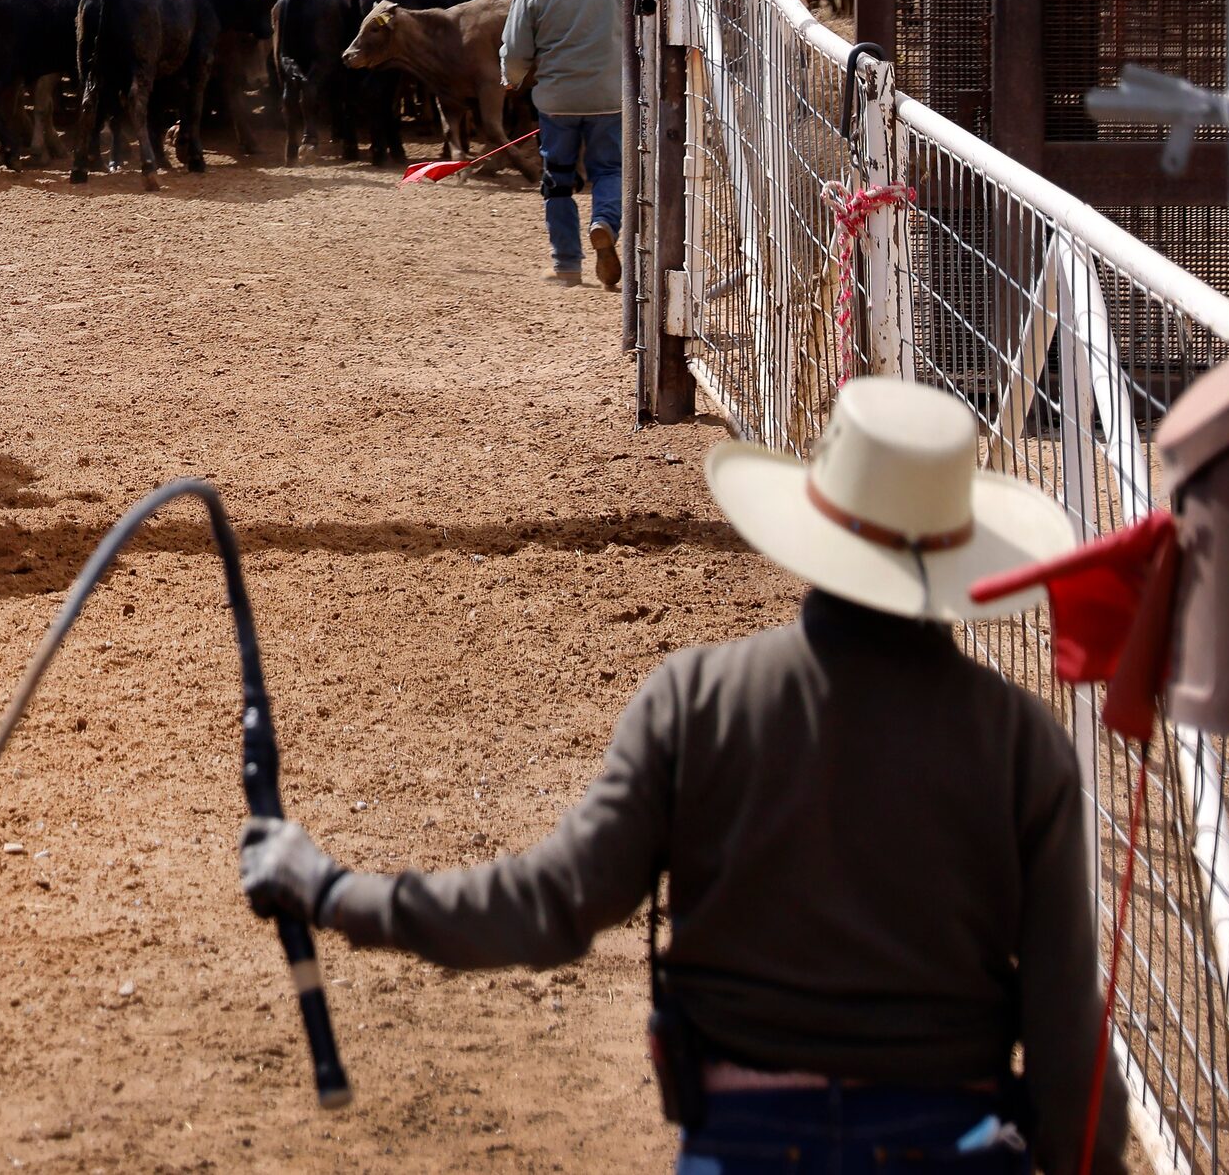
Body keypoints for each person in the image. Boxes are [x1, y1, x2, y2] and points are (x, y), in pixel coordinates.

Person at [240, 374, 1128, 1175]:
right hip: (945, 1145)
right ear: (958, 555)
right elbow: (1064, 1037)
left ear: (813, 526)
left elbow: (550, 906)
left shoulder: (694, 700)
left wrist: (333, 891)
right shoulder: (1023, 745)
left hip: (741, 1142)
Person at [501, 0, 625, 286]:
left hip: (557, 101)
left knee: (557, 178)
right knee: (609, 169)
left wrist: (511, 79)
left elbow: (517, 51)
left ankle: (567, 263)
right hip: (610, 96)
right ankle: (604, 221)